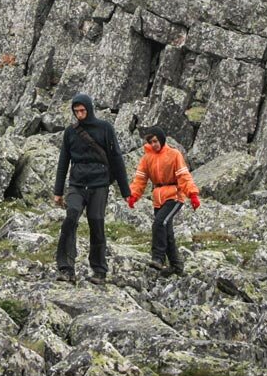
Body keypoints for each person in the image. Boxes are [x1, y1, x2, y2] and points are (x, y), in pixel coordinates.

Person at [53, 93, 130, 285]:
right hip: (77, 184)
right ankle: (65, 267)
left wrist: (126, 191)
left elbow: (116, 158)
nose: (79, 114)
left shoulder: (105, 128)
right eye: (76, 111)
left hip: (99, 185)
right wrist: (58, 191)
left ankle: (99, 270)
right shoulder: (70, 132)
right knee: (71, 217)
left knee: (97, 223)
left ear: (89, 109)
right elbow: (63, 161)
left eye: (82, 110)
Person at [127, 127, 201, 274]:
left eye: (155, 141)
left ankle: (158, 258)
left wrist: (192, 195)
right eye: (150, 142)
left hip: (174, 196)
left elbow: (183, 176)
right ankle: (177, 266)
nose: (153, 144)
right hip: (158, 198)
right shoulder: (147, 158)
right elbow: (140, 179)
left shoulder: (174, 154)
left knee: (159, 223)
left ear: (161, 139)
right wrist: (133, 196)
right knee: (167, 232)